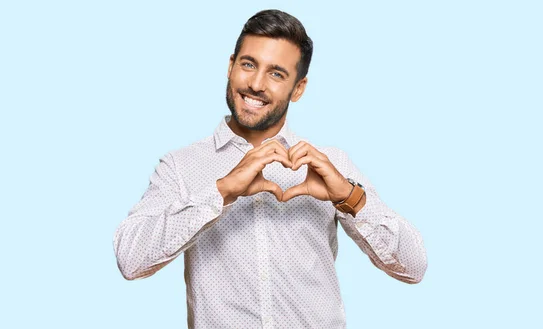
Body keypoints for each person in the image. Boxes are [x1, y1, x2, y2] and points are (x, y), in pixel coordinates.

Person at [113, 9, 427, 329]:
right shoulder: (182, 166)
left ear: (299, 88)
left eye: (276, 73)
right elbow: (130, 259)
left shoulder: (330, 165)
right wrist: (221, 191)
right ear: (230, 65)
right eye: (248, 64)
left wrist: (351, 198)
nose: (256, 84)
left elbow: (413, 267)